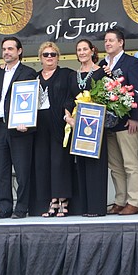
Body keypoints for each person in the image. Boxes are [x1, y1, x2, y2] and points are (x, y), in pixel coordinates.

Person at [0, 36, 37, 219]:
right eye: (4, 49)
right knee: (2, 171)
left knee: (22, 170)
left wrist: (28, 123)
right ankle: (5, 208)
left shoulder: (28, 72)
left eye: (10, 49)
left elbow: (30, 101)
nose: (6, 52)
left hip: (19, 127)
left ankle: (22, 208)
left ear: (19, 51)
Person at [97, 28, 138, 215]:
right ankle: (120, 200)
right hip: (108, 124)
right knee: (115, 166)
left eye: (111, 40)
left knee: (130, 163)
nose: (107, 43)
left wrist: (134, 118)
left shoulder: (132, 62)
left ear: (121, 42)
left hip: (126, 123)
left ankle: (133, 202)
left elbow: (137, 91)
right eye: (106, 41)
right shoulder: (101, 64)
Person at [32, 42, 78, 217]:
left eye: (53, 54)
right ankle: (51, 199)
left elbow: (72, 95)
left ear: (58, 57)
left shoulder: (66, 74)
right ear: (40, 58)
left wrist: (67, 113)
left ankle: (63, 199)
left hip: (59, 124)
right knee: (43, 163)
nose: (49, 57)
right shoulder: (34, 78)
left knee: (60, 163)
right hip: (40, 125)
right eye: (46, 54)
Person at [71, 39, 106, 216]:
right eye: (79, 50)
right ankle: (84, 207)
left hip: (96, 126)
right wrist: (69, 118)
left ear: (92, 51)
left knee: (95, 166)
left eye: (85, 49)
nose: (82, 52)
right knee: (82, 165)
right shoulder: (73, 75)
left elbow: (107, 97)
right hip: (78, 126)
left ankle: (97, 208)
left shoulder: (102, 72)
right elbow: (68, 100)